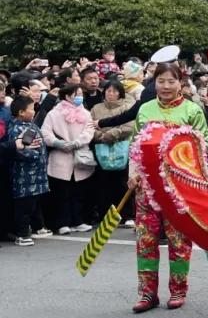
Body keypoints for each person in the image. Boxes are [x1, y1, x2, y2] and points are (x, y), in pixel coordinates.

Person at [128, 62, 208, 313]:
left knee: (178, 241)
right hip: (146, 188)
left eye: (171, 81)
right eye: (160, 81)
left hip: (177, 189)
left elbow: (202, 147)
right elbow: (135, 146)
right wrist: (133, 174)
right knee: (146, 241)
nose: (165, 86)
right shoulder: (145, 109)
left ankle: (178, 290)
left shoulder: (192, 110)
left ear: (180, 84)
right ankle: (147, 293)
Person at [41, 83, 95, 235]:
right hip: (60, 157)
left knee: (79, 192)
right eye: (76, 94)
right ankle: (62, 223)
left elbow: (89, 130)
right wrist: (58, 143)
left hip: (79, 155)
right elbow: (45, 133)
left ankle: (79, 221)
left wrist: (77, 142)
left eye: (80, 94)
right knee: (61, 192)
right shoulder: (54, 113)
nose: (79, 97)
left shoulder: (85, 112)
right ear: (67, 96)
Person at [91, 80, 136, 226]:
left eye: (115, 91)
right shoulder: (96, 108)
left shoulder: (127, 106)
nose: (111, 94)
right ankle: (105, 214)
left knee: (123, 182)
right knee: (103, 183)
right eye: (108, 91)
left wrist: (112, 134)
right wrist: (99, 136)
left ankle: (127, 214)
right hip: (101, 147)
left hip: (122, 146)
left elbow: (130, 125)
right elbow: (89, 125)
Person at [9, 98, 49, 246]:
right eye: (31, 109)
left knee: (34, 203)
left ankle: (38, 227)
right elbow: (20, 151)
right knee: (24, 206)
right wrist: (36, 155)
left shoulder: (30, 125)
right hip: (24, 175)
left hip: (37, 173)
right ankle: (22, 233)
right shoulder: (17, 129)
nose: (33, 111)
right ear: (21, 112)